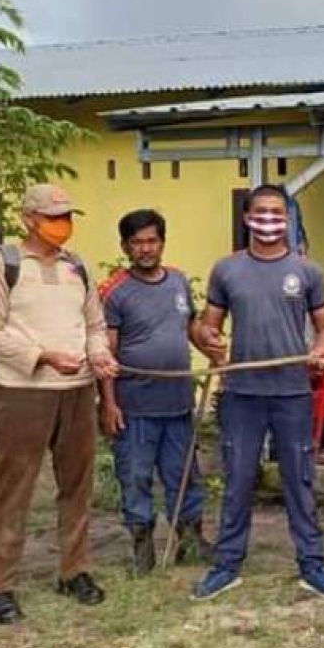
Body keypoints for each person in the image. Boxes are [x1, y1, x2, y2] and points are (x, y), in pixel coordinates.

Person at [0, 183, 119, 624]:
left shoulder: (78, 267)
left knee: (77, 485)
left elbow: (94, 324)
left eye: (67, 215)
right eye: (53, 216)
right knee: (11, 489)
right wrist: (41, 357)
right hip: (22, 392)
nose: (63, 224)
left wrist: (101, 355)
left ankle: (74, 571)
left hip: (78, 391)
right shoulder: (2, 266)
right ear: (27, 219)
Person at [192, 184, 324, 602]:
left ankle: (312, 565)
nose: (268, 219)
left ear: (288, 218)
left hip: (292, 393)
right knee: (238, 478)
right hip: (241, 392)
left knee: (299, 479)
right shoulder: (226, 270)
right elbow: (208, 325)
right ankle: (227, 565)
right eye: (260, 211)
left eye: (277, 212)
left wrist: (321, 347)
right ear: (246, 218)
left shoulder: (307, 271)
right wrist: (207, 337)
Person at [99, 209, 212, 575]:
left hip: (178, 401)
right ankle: (142, 545)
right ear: (125, 247)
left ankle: (190, 538)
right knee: (136, 475)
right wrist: (109, 402)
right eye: (137, 243)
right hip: (135, 407)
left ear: (162, 242)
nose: (146, 249)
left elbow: (189, 326)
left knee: (184, 474)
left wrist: (210, 343)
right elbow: (106, 353)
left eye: (152, 241)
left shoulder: (177, 281)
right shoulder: (115, 293)